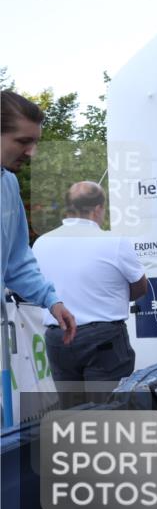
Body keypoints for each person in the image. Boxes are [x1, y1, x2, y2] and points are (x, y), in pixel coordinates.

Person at [33, 181, 148, 398]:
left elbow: (36, 286)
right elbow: (141, 287)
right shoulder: (115, 241)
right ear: (98, 209)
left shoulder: (41, 243)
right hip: (103, 339)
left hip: (58, 337)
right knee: (109, 412)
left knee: (72, 413)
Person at [0, 91, 76, 347]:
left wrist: (51, 301)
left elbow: (17, 260)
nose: (32, 152)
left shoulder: (8, 184)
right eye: (23, 141)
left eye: (35, 142)